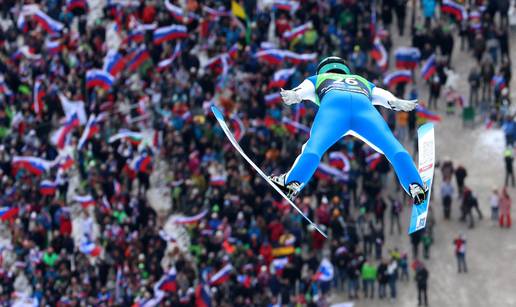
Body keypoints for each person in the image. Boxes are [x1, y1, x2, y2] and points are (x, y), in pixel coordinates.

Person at [269, 57, 427, 206]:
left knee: (313, 148)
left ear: (322, 70)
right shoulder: (360, 80)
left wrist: (295, 95)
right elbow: (383, 95)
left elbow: (302, 90)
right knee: (392, 147)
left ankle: (292, 182)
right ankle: (415, 185)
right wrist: (396, 102)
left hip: (334, 108)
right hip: (364, 110)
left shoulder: (317, 79)